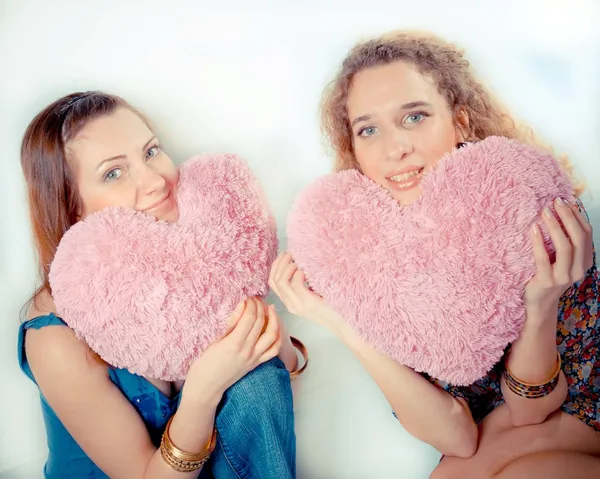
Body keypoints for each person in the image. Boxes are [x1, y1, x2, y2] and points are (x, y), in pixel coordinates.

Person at [270, 30, 599, 478]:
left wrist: (540, 304)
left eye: (414, 117)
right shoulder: (367, 253)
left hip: (579, 409)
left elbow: (527, 413)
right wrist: (341, 322)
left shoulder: (529, 204)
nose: (395, 148)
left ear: (460, 122)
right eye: (369, 130)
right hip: (484, 437)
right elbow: (454, 438)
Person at [18, 91, 300, 479]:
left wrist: (262, 324)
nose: (155, 181)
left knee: (259, 380)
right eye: (113, 173)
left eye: (150, 152)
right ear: (72, 206)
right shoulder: (53, 337)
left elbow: (279, 378)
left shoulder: (188, 257)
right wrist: (203, 389)